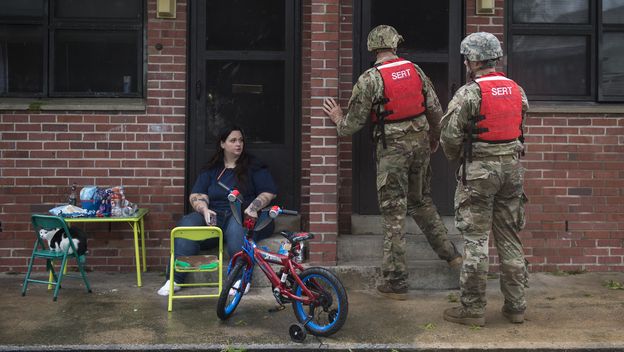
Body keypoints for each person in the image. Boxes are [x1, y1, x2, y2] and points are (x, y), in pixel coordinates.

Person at [322, 25, 462, 301]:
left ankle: (396, 282)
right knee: (421, 201)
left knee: (393, 212)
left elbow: (351, 126)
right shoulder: (416, 71)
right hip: (420, 145)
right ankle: (453, 257)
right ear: (395, 46)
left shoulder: (369, 79)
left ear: (373, 48)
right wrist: (434, 138)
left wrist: (338, 116)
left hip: (392, 152)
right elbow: (435, 110)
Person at [440, 32, 529, 326]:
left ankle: (473, 309)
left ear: (474, 60)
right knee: (510, 239)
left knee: (476, 240)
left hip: (479, 171)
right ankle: (516, 307)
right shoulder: (516, 89)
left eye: (467, 57)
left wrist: (458, 156)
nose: (466, 61)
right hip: (513, 170)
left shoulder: (469, 93)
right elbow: (520, 121)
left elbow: (450, 137)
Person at [158, 125, 278, 296]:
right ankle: (176, 279)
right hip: (215, 215)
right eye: (233, 140)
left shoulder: (254, 165)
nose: (238, 144)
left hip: (243, 214)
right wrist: (204, 209)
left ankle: (239, 279)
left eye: (241, 140)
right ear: (223, 144)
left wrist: (254, 207)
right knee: (186, 224)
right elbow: (197, 195)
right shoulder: (212, 169)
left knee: (237, 228)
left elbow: (269, 192)